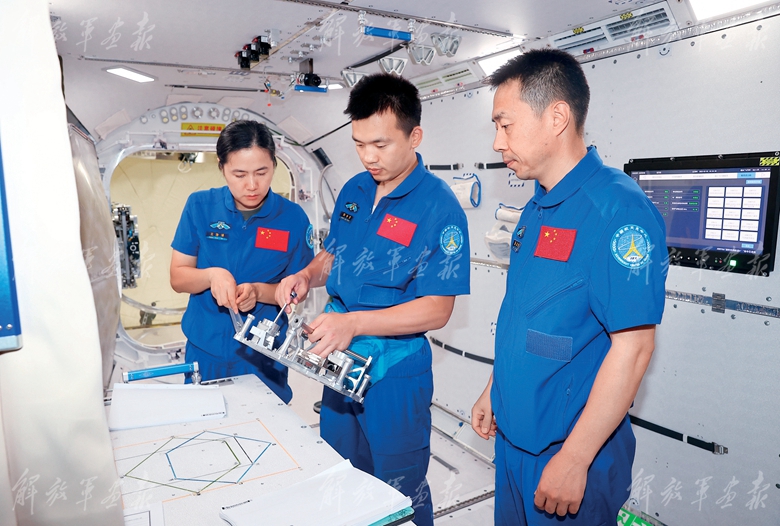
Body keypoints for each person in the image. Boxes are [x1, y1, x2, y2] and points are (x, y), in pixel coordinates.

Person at [471, 49, 668, 525]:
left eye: (506, 125)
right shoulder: (536, 208)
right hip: (514, 442)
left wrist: (576, 458)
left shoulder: (618, 211)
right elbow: (527, 316)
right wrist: (494, 388)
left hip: (568, 454)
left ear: (557, 117)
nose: (497, 142)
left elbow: (634, 347)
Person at [275, 73, 470, 526]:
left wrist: (355, 324)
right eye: (360, 144)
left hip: (394, 372)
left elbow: (438, 309)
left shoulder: (439, 208)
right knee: (341, 472)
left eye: (380, 144)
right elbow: (332, 256)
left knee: (399, 491)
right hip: (338, 359)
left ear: (414, 137)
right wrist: (305, 275)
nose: (368, 157)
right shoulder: (354, 190)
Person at [170, 120, 313, 402]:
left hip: (263, 355)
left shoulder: (293, 218)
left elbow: (297, 291)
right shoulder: (200, 206)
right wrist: (212, 275)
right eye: (239, 174)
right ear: (222, 167)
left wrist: (258, 292)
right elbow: (178, 277)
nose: (252, 185)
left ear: (274, 164)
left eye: (262, 172)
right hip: (205, 349)